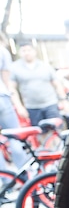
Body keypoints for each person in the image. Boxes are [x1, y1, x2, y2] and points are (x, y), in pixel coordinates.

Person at [9, 41, 67, 126]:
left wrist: (63, 100)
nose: (27, 53)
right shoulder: (15, 68)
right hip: (32, 107)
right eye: (24, 51)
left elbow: (57, 84)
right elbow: (11, 89)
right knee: (40, 133)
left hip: (50, 104)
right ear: (20, 53)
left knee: (56, 130)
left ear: (34, 51)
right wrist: (19, 107)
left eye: (29, 50)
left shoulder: (45, 66)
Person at [0, 32, 29, 175]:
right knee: (15, 136)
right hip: (2, 97)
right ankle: (24, 176)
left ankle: (5, 181)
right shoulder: (2, 51)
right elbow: (6, 79)